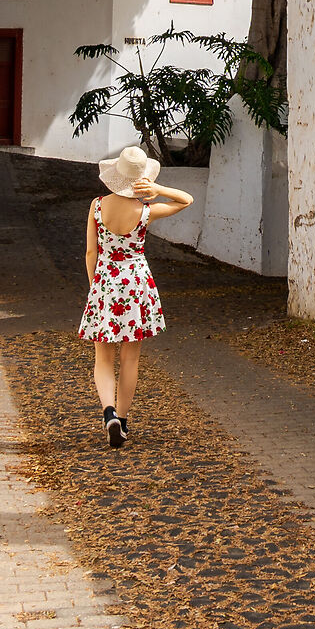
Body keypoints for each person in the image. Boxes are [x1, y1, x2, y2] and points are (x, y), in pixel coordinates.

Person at [80, 144, 192, 447]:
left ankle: (109, 414)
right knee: (130, 357)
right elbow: (186, 200)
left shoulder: (97, 206)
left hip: (105, 280)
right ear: (141, 178)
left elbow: (91, 251)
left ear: (117, 175)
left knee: (103, 356)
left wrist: (95, 288)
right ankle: (124, 422)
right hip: (136, 284)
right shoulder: (146, 211)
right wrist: (158, 188)